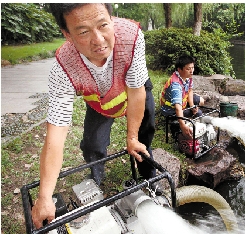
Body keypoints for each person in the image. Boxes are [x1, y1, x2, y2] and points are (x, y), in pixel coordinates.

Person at [32, 3, 157, 228]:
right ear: (67, 34)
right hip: (100, 101)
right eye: (83, 32)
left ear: (112, 18)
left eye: (103, 25)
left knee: (144, 136)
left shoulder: (131, 36)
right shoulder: (63, 67)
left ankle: (149, 178)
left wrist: (131, 137)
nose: (98, 40)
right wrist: (44, 196)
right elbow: (56, 133)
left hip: (135, 89)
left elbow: (136, 90)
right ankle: (95, 176)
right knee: (92, 143)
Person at [160, 55, 205, 139]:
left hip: (182, 101)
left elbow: (190, 90)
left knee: (201, 101)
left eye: (192, 68)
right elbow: (177, 108)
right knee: (199, 113)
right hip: (171, 111)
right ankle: (175, 123)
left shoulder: (187, 77)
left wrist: (191, 106)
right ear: (179, 69)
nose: (191, 71)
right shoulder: (175, 86)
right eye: (188, 69)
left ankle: (187, 116)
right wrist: (182, 125)